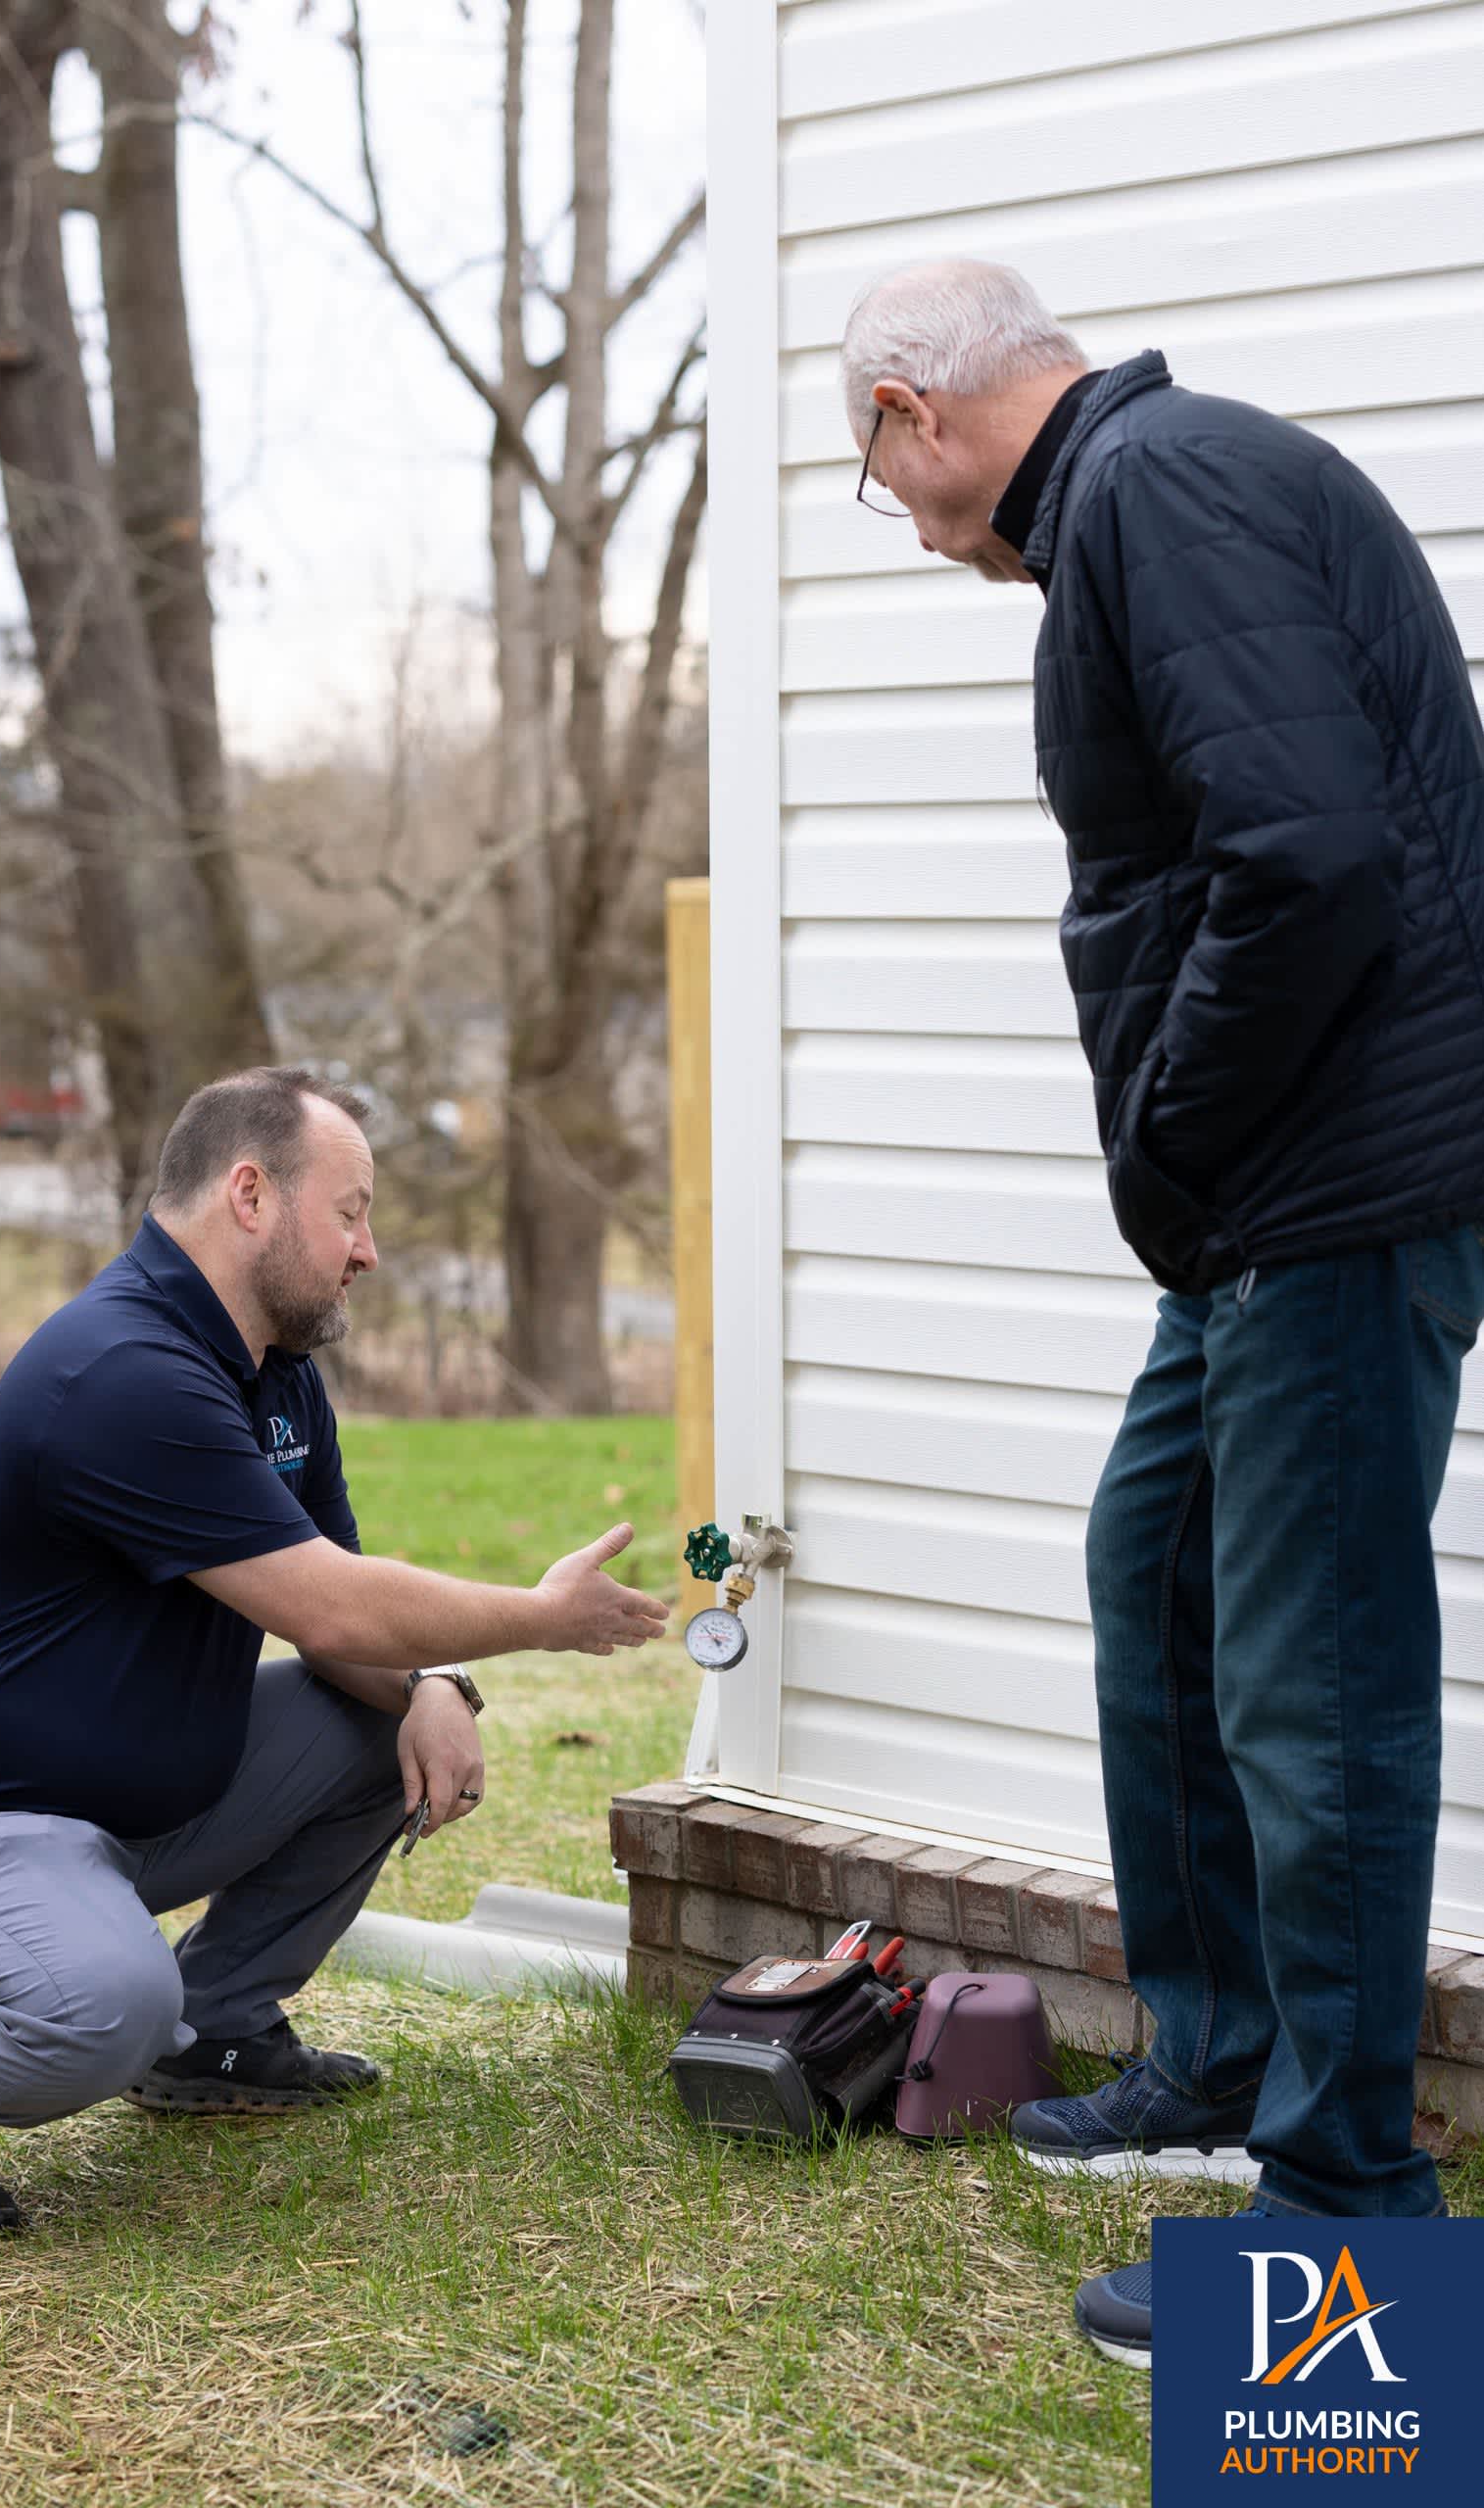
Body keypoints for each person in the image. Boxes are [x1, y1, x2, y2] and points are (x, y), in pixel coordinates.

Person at [839, 261, 1484, 2362]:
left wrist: (1173, 1140)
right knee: (1166, 1567)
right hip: (1265, 1204)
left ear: (913, 411)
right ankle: (1216, 2065)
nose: (920, 528)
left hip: (1322, 1188)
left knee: (1320, 1685)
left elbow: (1304, 858)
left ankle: (1342, 2213)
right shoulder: (1152, 487)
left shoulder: (1156, 490)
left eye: (888, 479)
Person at [0, 1066, 667, 2235]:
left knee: (382, 1719)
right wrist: (537, 1615)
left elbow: (355, 1632)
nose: (367, 1250)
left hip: (95, 1822)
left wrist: (428, 1686)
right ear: (251, 1194)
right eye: (351, 1209)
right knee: (105, 2002)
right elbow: (336, 1611)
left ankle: (215, 2036)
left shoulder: (276, 1377)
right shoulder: (120, 1368)